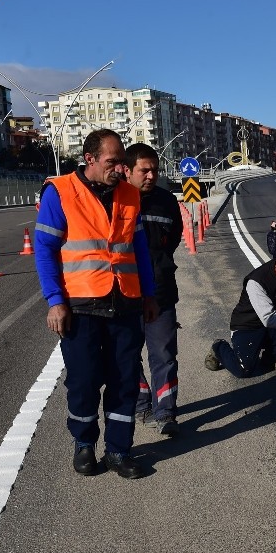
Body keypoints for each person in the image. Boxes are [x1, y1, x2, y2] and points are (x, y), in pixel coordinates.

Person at [34, 129, 158, 479]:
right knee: (84, 381)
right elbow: (44, 249)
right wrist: (55, 301)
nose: (120, 168)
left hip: (126, 302)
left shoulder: (130, 194)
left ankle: (119, 450)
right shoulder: (60, 191)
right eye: (112, 162)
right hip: (81, 305)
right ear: (90, 159)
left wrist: (149, 295)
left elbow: (139, 250)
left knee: (125, 381)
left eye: (122, 162)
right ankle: (84, 444)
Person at [125, 143, 183, 438]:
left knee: (164, 354)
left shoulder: (166, 201)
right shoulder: (116, 199)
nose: (151, 176)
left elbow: (173, 238)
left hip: (160, 291)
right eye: (144, 170)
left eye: (155, 170)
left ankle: (166, 412)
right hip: (124, 294)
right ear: (127, 170)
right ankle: (141, 405)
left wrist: (158, 265)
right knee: (126, 355)